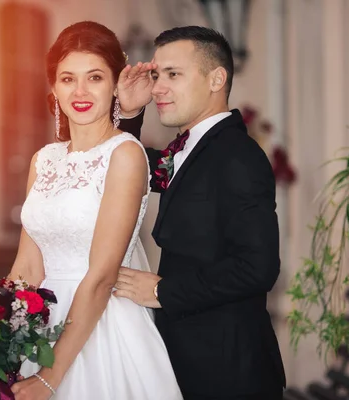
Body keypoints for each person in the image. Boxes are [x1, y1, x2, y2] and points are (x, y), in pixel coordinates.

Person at [0, 21, 182, 400]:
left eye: (94, 77)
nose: (80, 91)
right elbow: (27, 266)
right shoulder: (44, 159)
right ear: (54, 88)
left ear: (115, 84)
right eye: (67, 79)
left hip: (102, 326)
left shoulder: (125, 155)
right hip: (40, 327)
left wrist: (49, 377)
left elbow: (101, 276)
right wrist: (0, 343)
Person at [114, 26, 286, 400]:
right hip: (188, 361)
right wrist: (129, 112)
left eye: (173, 74)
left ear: (216, 79)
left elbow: (258, 267)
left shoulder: (238, 157)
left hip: (228, 372)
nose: (158, 87)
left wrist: (162, 289)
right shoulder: (188, 150)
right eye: (157, 75)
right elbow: (125, 170)